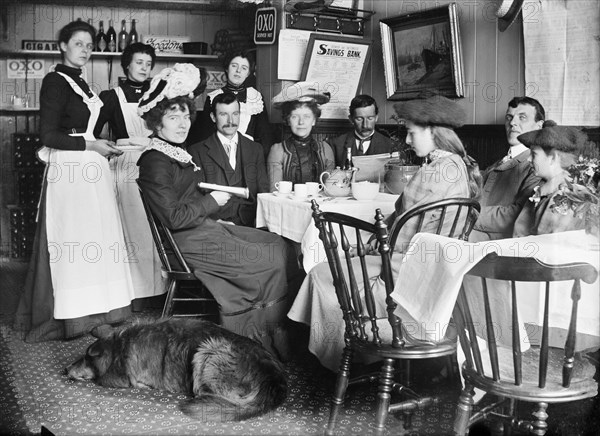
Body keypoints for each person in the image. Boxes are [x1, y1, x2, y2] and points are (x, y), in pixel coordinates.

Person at [287, 95, 482, 371]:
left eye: (413, 133)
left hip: (403, 271)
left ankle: (339, 356)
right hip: (426, 266)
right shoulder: (454, 165)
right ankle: (344, 348)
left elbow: (404, 232)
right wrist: (370, 245)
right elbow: (404, 219)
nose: (409, 141)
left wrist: (371, 246)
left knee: (321, 272)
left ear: (433, 132)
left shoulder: (434, 172)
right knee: (329, 271)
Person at [136, 63, 292, 360]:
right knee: (268, 259)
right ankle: (254, 340)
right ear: (157, 124)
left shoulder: (174, 153)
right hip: (186, 243)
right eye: (173, 117)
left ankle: (270, 329)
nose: (183, 123)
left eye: (185, 115)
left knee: (278, 244)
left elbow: (186, 200)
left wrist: (211, 213)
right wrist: (212, 202)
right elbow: (173, 217)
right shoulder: (155, 161)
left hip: (204, 227)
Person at [14, 21, 134, 342]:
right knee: (75, 243)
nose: (85, 50)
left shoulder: (84, 85)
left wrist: (100, 146)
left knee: (94, 239)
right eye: (78, 44)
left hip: (91, 171)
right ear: (63, 46)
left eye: (89, 45)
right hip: (69, 171)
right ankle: (75, 317)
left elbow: (90, 126)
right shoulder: (55, 82)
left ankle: (96, 312)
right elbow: (49, 135)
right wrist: (92, 145)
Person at [93, 42, 164, 306]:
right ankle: (130, 293)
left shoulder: (159, 95)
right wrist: (108, 149)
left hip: (155, 161)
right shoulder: (111, 97)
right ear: (126, 65)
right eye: (139, 63)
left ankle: (157, 290)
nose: (144, 68)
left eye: (148, 64)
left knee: (155, 226)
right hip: (125, 164)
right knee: (130, 227)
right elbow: (93, 131)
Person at [188, 92, 268, 227]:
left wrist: (260, 223)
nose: (231, 121)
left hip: (251, 224)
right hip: (215, 224)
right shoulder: (196, 151)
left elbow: (263, 191)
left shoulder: (255, 149)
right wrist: (215, 221)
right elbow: (195, 196)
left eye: (235, 114)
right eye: (223, 114)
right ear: (213, 117)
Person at [470, 96, 544, 241]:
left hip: (501, 245)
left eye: (522, 117)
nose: (512, 122)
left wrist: (467, 215)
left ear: (539, 126)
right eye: (509, 117)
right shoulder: (500, 162)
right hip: (474, 234)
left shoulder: (538, 166)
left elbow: (520, 213)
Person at [513, 121, 598, 236]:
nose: (528, 159)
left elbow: (549, 246)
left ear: (553, 158)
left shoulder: (565, 196)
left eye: (534, 154)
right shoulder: (547, 189)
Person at [188, 50, 274, 157]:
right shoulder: (213, 96)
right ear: (227, 68)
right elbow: (206, 134)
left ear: (248, 73)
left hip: (249, 154)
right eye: (234, 66)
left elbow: (264, 135)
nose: (238, 71)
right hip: (220, 154)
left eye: (244, 68)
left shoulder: (255, 97)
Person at [267, 82, 335, 192]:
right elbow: (274, 192)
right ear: (288, 120)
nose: (301, 122)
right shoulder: (278, 150)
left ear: (314, 120)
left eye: (307, 116)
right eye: (295, 117)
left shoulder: (325, 149)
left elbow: (330, 190)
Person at [330, 94, 394, 167]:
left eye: (370, 118)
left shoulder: (389, 145)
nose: (365, 125)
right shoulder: (336, 144)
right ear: (351, 119)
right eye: (359, 119)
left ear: (376, 118)